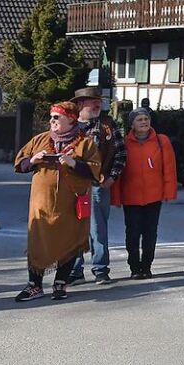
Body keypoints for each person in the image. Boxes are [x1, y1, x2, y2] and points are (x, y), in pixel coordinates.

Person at [14, 102, 102, 302]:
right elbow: (20, 164)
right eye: (51, 117)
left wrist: (73, 163)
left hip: (70, 203)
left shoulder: (85, 143)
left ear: (71, 119)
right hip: (41, 203)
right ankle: (34, 285)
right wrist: (33, 160)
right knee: (38, 241)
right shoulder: (40, 139)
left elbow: (95, 171)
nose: (51, 121)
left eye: (56, 117)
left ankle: (60, 283)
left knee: (69, 241)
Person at [68, 87, 125, 285]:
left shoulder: (107, 125)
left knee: (97, 229)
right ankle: (74, 270)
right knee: (74, 229)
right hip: (73, 186)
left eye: (99, 100)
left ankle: (100, 269)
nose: (97, 103)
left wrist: (112, 178)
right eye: (93, 100)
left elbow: (121, 154)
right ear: (80, 104)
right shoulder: (70, 126)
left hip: (97, 185)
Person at [111, 108, 177, 279]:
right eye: (139, 119)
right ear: (132, 124)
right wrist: (116, 197)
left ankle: (146, 266)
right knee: (132, 233)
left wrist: (169, 191)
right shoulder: (124, 143)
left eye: (146, 119)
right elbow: (118, 172)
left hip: (153, 196)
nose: (143, 122)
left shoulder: (161, 141)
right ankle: (134, 267)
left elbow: (169, 169)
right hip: (131, 197)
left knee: (150, 233)